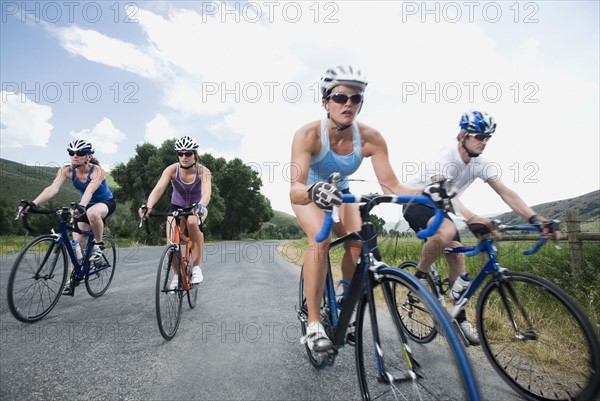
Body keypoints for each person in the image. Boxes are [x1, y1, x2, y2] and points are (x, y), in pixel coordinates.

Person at [289, 65, 446, 352]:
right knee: (320, 239)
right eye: (339, 97)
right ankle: (314, 324)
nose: (348, 103)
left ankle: (343, 296)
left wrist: (428, 193)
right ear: (325, 102)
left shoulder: (371, 138)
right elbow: (295, 188)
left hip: (341, 192)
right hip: (310, 192)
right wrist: (313, 190)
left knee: (359, 245)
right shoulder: (308, 135)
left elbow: (393, 187)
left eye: (356, 98)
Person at [404, 110, 558, 345]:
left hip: (442, 208)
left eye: (488, 137)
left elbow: (505, 192)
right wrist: (472, 217)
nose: (484, 142)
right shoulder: (445, 157)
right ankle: (421, 276)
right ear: (463, 135)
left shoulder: (480, 163)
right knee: (445, 235)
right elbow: (447, 192)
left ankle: (460, 318)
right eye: (480, 136)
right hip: (417, 202)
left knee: (458, 260)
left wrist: (535, 218)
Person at [23, 139, 117, 293]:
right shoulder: (66, 170)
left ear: (88, 156)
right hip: (84, 204)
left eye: (79, 153)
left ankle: (99, 245)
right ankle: (73, 277)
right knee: (77, 245)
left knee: (92, 214)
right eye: (71, 153)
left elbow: (89, 191)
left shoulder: (97, 171)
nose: (74, 156)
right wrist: (33, 204)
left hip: (104, 203)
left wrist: (82, 206)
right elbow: (53, 188)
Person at [139, 135, 211, 286]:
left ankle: (197, 268)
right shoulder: (171, 170)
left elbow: (206, 194)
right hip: (176, 207)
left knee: (192, 222)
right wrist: (148, 206)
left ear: (195, 154)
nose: (184, 157)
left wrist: (200, 206)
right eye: (180, 153)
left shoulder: (203, 172)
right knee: (171, 243)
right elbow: (158, 189)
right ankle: (177, 275)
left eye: (188, 153)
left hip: (197, 208)